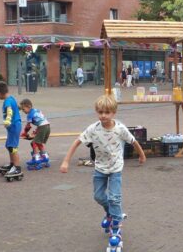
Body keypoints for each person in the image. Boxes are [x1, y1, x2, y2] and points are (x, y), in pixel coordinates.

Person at [60, 95, 146, 249]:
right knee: (98, 196)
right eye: (100, 112)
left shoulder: (120, 129)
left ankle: (116, 228)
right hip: (100, 168)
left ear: (114, 113)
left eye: (107, 112)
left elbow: (133, 141)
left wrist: (141, 155)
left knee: (114, 198)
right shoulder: (93, 129)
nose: (103, 116)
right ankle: (112, 214)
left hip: (115, 169)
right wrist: (66, 161)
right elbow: (77, 141)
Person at [0, 81, 23, 179]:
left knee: (12, 147)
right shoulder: (11, 98)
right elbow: (17, 107)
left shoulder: (7, 101)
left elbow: (9, 110)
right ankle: (12, 164)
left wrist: (8, 120)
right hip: (14, 126)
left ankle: (17, 167)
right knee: (9, 145)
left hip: (14, 126)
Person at [20, 99, 51, 169]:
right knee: (39, 143)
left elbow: (28, 126)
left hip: (42, 127)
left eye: (23, 109)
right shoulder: (37, 110)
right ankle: (45, 157)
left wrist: (24, 133)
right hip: (47, 126)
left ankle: (36, 159)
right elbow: (41, 120)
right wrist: (36, 131)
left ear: (29, 106)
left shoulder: (30, 115)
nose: (23, 111)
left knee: (34, 143)